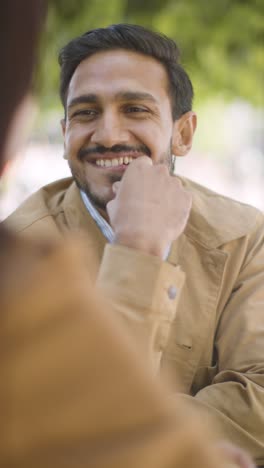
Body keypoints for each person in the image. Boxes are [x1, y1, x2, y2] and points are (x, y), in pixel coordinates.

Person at [3, 21, 262, 467]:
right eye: (86, 113)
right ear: (65, 133)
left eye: (136, 109)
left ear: (183, 132)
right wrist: (138, 246)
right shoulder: (21, 253)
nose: (107, 134)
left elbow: (258, 397)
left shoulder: (245, 235)